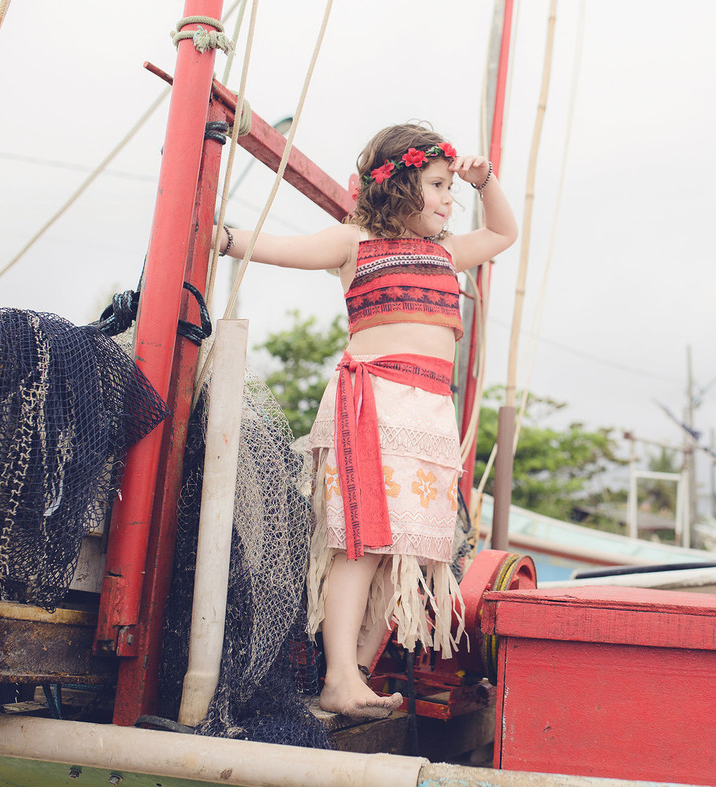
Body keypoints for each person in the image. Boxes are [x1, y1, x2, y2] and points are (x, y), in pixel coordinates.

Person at [214, 123, 517, 718]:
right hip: (371, 405)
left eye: (452, 188)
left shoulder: (447, 252)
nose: (448, 199)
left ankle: (354, 671)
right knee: (361, 544)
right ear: (399, 183)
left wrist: (487, 183)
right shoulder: (354, 242)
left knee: (402, 546)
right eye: (438, 185)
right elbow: (279, 246)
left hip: (428, 414)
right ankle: (337, 677)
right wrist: (220, 237)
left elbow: (504, 232)